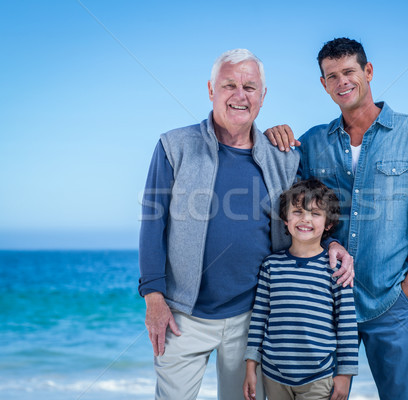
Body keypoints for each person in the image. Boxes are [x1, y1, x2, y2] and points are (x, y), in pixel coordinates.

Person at [138, 48, 354, 400]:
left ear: (263, 97)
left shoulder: (283, 156)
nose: (240, 96)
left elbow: (312, 210)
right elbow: (152, 224)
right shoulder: (173, 146)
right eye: (230, 85)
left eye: (250, 87)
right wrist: (154, 298)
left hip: (252, 319)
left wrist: (332, 244)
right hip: (182, 315)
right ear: (211, 90)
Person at [265, 38, 408, 400]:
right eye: (332, 76)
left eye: (349, 71)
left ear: (368, 72)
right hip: (326, 304)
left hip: (387, 301)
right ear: (323, 84)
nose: (342, 81)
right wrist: (271, 136)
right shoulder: (313, 141)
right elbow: (299, 207)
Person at [243, 179, 358, 400]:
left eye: (315, 213)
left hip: (318, 378)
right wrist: (251, 365)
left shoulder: (337, 269)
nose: (305, 219)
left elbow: (346, 325)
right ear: (285, 219)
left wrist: (345, 375)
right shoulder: (271, 266)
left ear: (328, 224)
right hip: (273, 375)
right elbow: (259, 319)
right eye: (297, 211)